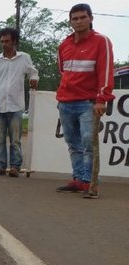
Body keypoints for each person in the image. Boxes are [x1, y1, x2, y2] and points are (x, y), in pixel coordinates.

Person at [55, 3, 114, 199]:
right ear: (70, 21)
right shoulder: (64, 44)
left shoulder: (101, 41)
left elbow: (105, 72)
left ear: (91, 18)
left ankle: (90, 183)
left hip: (88, 102)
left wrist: (101, 99)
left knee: (89, 143)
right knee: (73, 143)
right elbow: (63, 71)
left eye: (82, 17)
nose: (78, 21)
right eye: (75, 18)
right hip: (65, 101)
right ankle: (78, 179)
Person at [0, 27, 39, 177]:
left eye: (7, 41)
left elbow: (33, 72)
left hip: (16, 105)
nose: (4, 44)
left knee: (16, 140)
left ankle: (15, 166)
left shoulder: (24, 58)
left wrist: (34, 80)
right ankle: (1, 166)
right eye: (2, 41)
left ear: (14, 41)